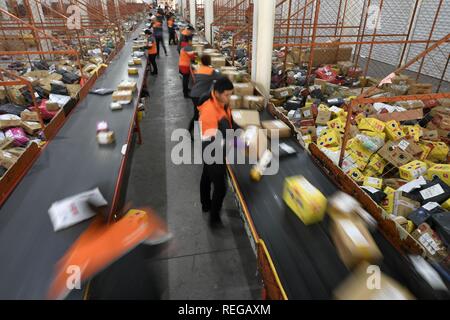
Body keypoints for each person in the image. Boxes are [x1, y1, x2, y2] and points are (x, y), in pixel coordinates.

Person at [197, 77, 235, 228]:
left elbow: (228, 121)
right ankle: (214, 219)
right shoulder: (209, 111)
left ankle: (206, 204)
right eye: (227, 94)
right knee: (220, 187)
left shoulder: (221, 103)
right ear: (217, 93)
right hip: (212, 150)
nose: (229, 98)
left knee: (206, 176)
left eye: (231, 94)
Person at [188, 54, 221, 132]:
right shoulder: (211, 71)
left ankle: (193, 130)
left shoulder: (198, 69)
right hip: (200, 96)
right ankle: (193, 131)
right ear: (209, 61)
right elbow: (220, 77)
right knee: (198, 114)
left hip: (194, 94)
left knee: (197, 113)